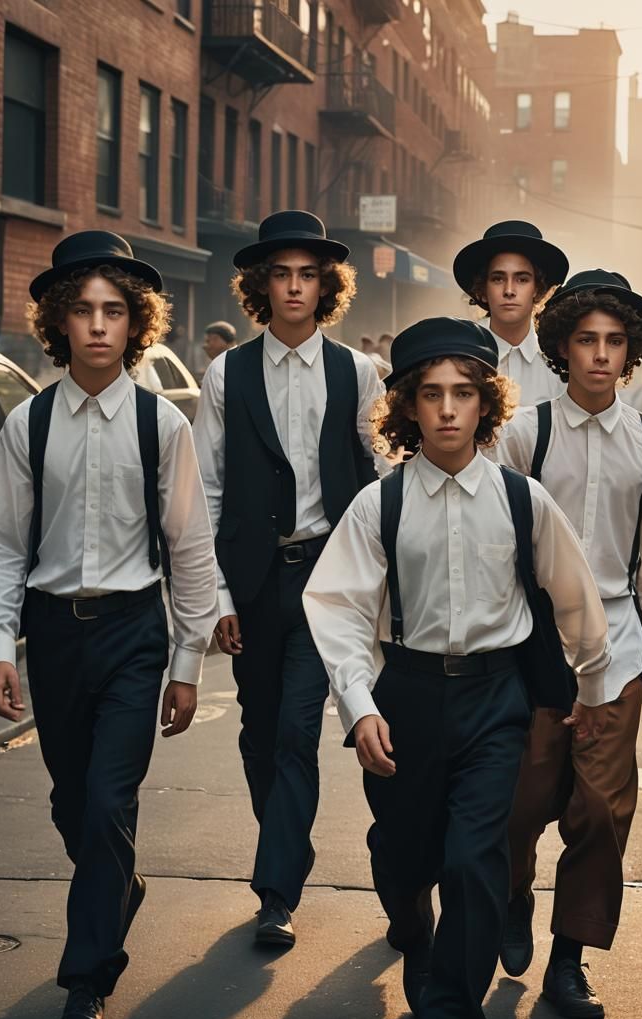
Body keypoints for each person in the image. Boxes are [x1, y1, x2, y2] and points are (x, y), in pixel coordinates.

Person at [302, 317, 610, 1019]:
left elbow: (575, 599)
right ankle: (413, 929)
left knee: (475, 859)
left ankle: (450, 1006)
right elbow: (336, 607)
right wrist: (358, 703)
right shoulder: (379, 504)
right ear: (408, 405)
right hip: (403, 695)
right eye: (432, 394)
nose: (447, 408)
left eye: (464, 394)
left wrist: (589, 687)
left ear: (485, 404)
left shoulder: (521, 500)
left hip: (494, 698)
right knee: (406, 856)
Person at [0, 230, 219, 1019]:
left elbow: (189, 550)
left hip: (132, 633)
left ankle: (86, 980)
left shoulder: (162, 427)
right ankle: (119, 882)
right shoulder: (28, 426)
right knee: (73, 804)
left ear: (135, 322)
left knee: (110, 801)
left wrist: (187, 662)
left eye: (115, 310)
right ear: (59, 323)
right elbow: (3, 543)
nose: (99, 325)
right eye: (82, 310)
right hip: (52, 633)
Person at [493, 271, 642, 1019]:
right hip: (534, 648)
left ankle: (568, 958)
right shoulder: (523, 432)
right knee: (517, 804)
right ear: (562, 348)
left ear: (630, 353)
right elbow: (494, 547)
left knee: (601, 813)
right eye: (587, 341)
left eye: (615, 343)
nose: (601, 355)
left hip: (621, 649)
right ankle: (511, 897)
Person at [192, 211, 384, 948]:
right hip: (254, 580)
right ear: (261, 285)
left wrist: (374, 589)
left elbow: (374, 482)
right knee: (258, 730)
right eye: (283, 273)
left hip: (327, 582)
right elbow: (207, 489)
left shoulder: (356, 372)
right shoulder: (226, 372)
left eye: (308, 275)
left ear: (326, 286)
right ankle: (288, 843)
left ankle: (276, 891)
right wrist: (215, 597)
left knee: (297, 732)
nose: (296, 286)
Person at [453, 220, 569, 406]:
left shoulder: (560, 360)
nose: (509, 290)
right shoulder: (459, 353)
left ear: (537, 289)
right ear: (482, 289)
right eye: (498, 279)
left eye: (522, 279)